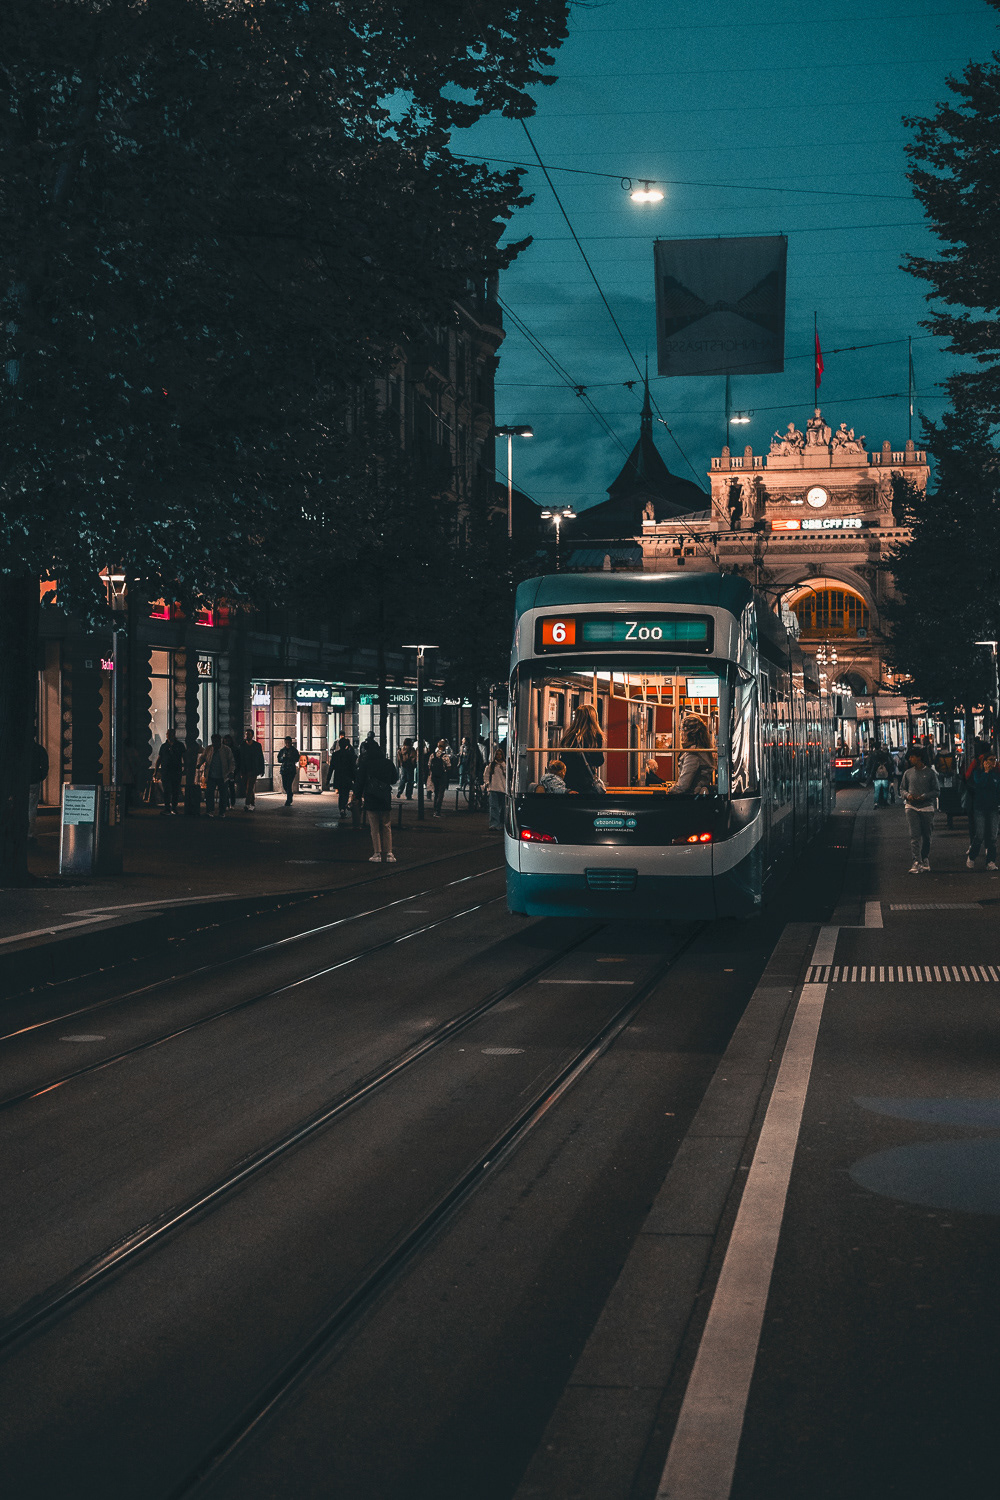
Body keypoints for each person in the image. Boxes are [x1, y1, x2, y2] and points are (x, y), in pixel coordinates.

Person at [352, 740, 399, 861]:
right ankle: (389, 854)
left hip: (371, 797)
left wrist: (357, 796)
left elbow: (360, 782)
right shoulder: (388, 763)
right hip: (384, 796)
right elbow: (394, 779)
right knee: (386, 825)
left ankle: (377, 853)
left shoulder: (366, 764)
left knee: (374, 827)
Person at [900, 746, 940, 873]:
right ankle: (916, 861)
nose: (910, 759)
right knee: (914, 835)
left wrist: (924, 796)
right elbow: (902, 789)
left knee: (927, 836)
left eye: (912, 757)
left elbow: (936, 791)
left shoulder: (930, 773)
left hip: (927, 808)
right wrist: (908, 796)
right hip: (911, 807)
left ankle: (925, 857)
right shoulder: (908, 773)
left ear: (919, 758)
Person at [560, 705, 605, 796]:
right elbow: (599, 760)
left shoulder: (569, 735)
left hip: (569, 780)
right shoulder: (595, 736)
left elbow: (564, 758)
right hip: (586, 781)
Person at [966, 753, 999, 870]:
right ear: (984, 761)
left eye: (995, 759)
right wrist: (986, 772)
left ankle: (990, 861)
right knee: (979, 835)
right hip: (980, 807)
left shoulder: (996, 775)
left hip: (993, 808)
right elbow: (980, 785)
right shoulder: (977, 773)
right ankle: (972, 856)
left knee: (993, 836)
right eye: (991, 760)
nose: (993, 762)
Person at [668, 716, 716, 795]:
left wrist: (669, 790)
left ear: (688, 733)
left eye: (682, 730)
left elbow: (683, 786)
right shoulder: (702, 750)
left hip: (691, 796)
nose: (681, 734)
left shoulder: (693, 754)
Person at [199, 733, 235, 818]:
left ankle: (221, 812)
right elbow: (203, 757)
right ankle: (210, 810)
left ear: (220, 741)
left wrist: (231, 771)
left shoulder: (226, 749)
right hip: (211, 775)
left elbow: (231, 761)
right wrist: (199, 763)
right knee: (209, 793)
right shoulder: (209, 749)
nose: (214, 744)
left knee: (223, 794)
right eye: (213, 742)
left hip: (223, 775)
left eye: (216, 742)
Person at [155, 728, 185, 816]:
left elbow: (185, 756)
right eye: (167, 734)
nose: (168, 735)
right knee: (166, 790)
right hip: (166, 771)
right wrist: (156, 770)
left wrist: (185, 767)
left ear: (173, 735)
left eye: (170, 734)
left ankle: (174, 807)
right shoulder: (164, 746)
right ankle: (167, 808)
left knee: (175, 790)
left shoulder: (179, 745)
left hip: (176, 770)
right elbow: (159, 758)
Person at [329, 735, 357, 819]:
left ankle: (341, 808)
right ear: (346, 745)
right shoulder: (350, 755)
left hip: (338, 776)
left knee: (341, 794)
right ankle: (343, 808)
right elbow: (353, 767)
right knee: (346, 793)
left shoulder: (335, 755)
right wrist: (355, 778)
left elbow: (331, 767)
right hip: (347, 777)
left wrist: (328, 778)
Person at [238, 729, 266, 810]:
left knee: (250, 787)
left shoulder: (257, 745)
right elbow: (239, 758)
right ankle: (252, 803)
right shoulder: (242, 745)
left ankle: (247, 804)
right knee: (247, 787)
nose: (247, 736)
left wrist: (262, 769)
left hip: (253, 769)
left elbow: (260, 758)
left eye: (249, 734)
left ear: (252, 735)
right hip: (244, 769)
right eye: (246, 734)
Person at [28, 737, 49, 841]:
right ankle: (29, 834)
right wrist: (39, 777)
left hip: (20, 782)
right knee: (31, 808)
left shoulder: (18, 749)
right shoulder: (39, 749)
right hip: (33, 781)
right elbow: (45, 766)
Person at [934, 748, 960, 828]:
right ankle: (947, 795)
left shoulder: (939, 755)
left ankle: (942, 798)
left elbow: (936, 765)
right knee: (949, 786)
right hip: (949, 772)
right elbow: (954, 765)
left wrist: (939, 770)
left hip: (941, 772)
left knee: (941, 786)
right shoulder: (951, 755)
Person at [484, 745, 507, 830]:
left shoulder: (505, 765)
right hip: (493, 788)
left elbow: (508, 776)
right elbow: (486, 775)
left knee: (503, 807)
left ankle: (501, 823)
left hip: (503, 789)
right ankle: (494, 824)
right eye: (497, 754)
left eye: (500, 754)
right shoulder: (492, 765)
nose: (498, 756)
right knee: (494, 807)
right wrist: (487, 784)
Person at [427, 740, 451, 817]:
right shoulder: (445, 756)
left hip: (434, 776)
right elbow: (449, 766)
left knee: (436, 792)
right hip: (442, 776)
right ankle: (438, 810)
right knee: (441, 793)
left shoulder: (432, 755)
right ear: (444, 747)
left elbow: (429, 765)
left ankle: (435, 809)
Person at [277, 736, 299, 808]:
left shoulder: (294, 750)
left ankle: (288, 800)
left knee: (289, 785)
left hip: (291, 770)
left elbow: (297, 758)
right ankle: (290, 794)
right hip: (284, 769)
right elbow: (279, 759)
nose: (287, 744)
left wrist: (290, 758)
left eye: (289, 742)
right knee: (285, 785)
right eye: (286, 742)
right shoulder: (282, 750)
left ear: (291, 742)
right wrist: (283, 758)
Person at [222, 734, 238, 810]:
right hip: (225, 771)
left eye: (228, 741)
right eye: (226, 741)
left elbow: (237, 761)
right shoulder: (223, 749)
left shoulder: (234, 749)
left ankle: (231, 803)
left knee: (231, 787)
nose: (227, 742)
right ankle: (228, 803)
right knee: (227, 788)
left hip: (231, 771)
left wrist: (235, 771)